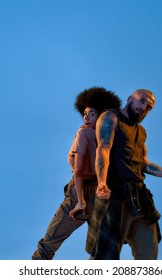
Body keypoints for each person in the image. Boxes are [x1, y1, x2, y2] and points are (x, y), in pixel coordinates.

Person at [86, 89, 162, 260]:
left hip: (139, 197)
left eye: (149, 106)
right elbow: (103, 149)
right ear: (129, 99)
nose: (144, 107)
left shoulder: (141, 132)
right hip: (113, 195)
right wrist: (101, 182)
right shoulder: (110, 117)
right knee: (104, 256)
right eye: (142, 101)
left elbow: (143, 163)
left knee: (149, 253)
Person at [31, 87, 121, 260]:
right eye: (85, 113)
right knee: (99, 249)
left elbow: (78, 171)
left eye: (92, 114)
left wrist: (80, 202)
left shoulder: (83, 134)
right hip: (102, 193)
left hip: (81, 193)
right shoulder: (109, 138)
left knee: (49, 243)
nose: (86, 117)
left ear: (102, 117)